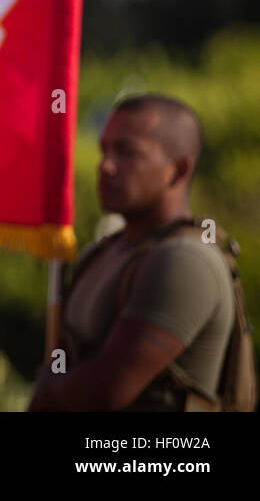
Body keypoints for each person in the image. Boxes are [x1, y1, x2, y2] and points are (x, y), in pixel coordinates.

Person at [28, 94, 236, 411]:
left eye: (126, 153)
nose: (105, 165)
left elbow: (104, 393)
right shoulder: (101, 253)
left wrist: (49, 384)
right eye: (104, 149)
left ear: (178, 170)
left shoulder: (185, 261)